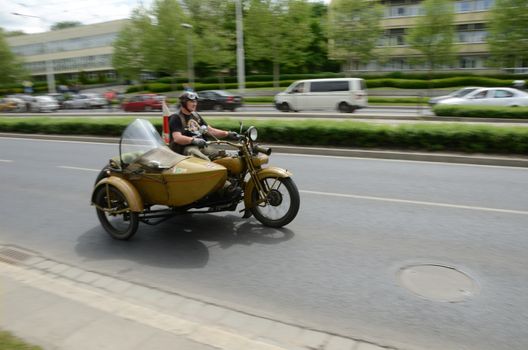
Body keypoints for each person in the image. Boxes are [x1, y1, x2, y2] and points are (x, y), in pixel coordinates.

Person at [169, 91, 239, 160]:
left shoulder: (195, 116)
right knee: (206, 162)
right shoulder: (176, 117)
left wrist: (228, 134)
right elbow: (177, 138)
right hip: (186, 148)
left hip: (201, 146)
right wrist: (193, 140)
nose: (195, 104)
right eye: (192, 102)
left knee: (223, 157)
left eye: (195, 102)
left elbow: (210, 130)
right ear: (184, 103)